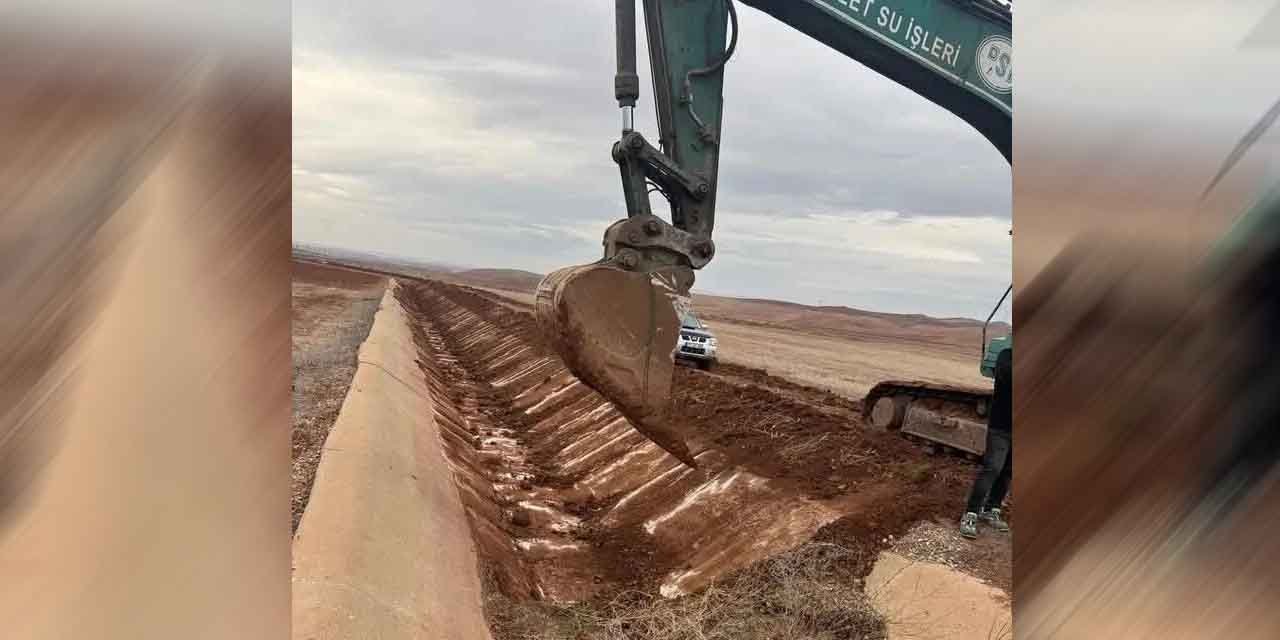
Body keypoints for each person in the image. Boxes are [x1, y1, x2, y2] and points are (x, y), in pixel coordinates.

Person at [960, 346, 1012, 539]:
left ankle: (992, 509)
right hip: (1001, 427)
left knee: (1007, 472)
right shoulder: (1007, 356)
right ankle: (971, 513)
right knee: (992, 468)